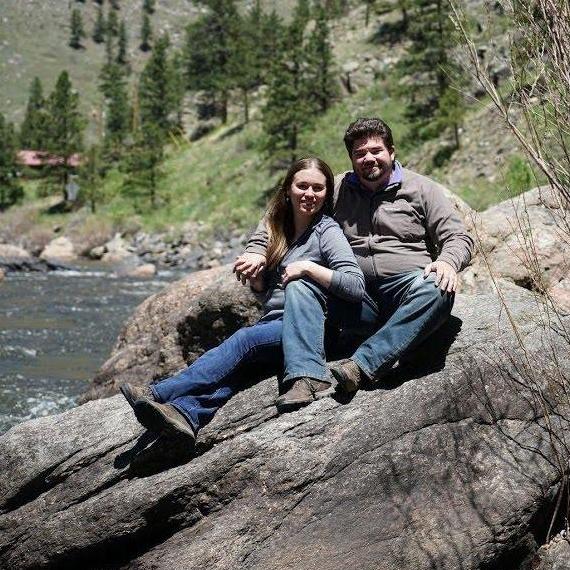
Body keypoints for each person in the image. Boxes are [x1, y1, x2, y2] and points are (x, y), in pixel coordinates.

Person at [120, 157, 365, 446]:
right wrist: (259, 280)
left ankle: (159, 393)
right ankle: (185, 414)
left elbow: (355, 285)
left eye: (317, 188)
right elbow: (268, 295)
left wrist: (310, 268)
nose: (309, 194)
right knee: (238, 369)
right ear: (288, 189)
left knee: (245, 341)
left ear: (326, 195)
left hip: (310, 329)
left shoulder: (327, 232)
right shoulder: (278, 227)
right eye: (302, 186)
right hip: (275, 323)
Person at [235, 118, 474, 399]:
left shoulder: (422, 189)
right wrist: (257, 249)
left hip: (406, 290)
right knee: (301, 282)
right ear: (351, 158)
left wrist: (448, 261)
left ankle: (362, 366)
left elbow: (459, 238)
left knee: (438, 288)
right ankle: (306, 377)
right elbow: (282, 214)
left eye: (376, 151)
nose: (368, 159)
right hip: (354, 299)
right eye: (360, 154)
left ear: (392, 152)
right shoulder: (337, 188)